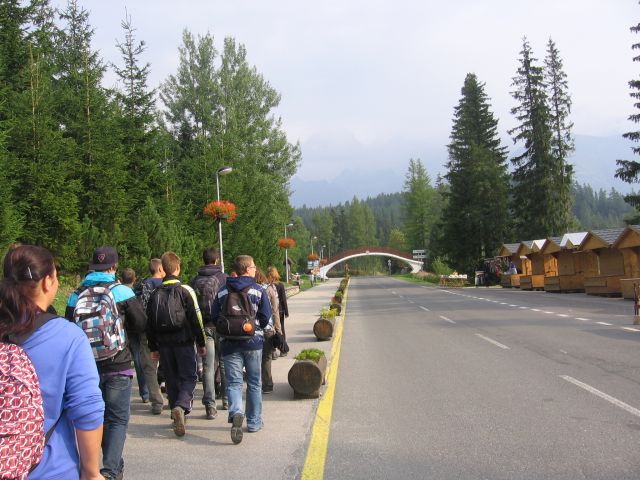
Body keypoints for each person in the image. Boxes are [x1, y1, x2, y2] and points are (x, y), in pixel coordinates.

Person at [0, 245, 104, 480]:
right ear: (48, 282)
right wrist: (91, 472)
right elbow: (87, 410)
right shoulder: (68, 337)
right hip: (50, 469)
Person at [66, 246, 147, 480]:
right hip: (117, 363)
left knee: (96, 418)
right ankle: (110, 470)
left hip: (85, 367)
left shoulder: (76, 294)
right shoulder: (121, 291)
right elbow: (141, 323)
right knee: (117, 419)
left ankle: (112, 465)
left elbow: (68, 327)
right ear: (114, 267)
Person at [212, 255, 272, 444]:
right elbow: (265, 317)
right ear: (247, 269)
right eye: (253, 267)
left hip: (229, 343)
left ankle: (236, 411)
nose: (255, 269)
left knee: (234, 383)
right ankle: (254, 422)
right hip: (253, 342)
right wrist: (256, 327)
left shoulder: (223, 290)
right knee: (254, 382)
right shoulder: (258, 290)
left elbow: (214, 316)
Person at [146, 251, 206, 437]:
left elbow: (150, 323)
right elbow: (196, 318)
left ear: (163, 269)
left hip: (164, 344)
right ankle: (181, 406)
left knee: (171, 379)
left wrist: (153, 347)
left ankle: (175, 412)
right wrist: (201, 342)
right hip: (184, 341)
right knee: (189, 377)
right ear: (178, 267)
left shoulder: (155, 293)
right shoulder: (185, 290)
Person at [189, 247, 228, 419]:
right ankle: (226, 400)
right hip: (221, 326)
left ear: (203, 260)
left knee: (208, 366)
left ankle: (210, 406)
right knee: (224, 363)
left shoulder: (194, 280)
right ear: (216, 260)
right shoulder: (224, 278)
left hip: (203, 327)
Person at [134, 259, 165, 415]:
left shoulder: (143, 286)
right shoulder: (168, 284)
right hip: (167, 330)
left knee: (149, 367)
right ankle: (175, 399)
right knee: (170, 364)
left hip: (147, 331)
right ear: (160, 269)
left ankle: (157, 401)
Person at [120, 267, 150, 405]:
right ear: (134, 279)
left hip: (123, 331)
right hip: (136, 330)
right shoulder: (136, 293)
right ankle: (145, 392)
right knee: (139, 360)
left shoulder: (117, 292)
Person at [255, 268, 282, 394]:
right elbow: (275, 311)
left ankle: (254, 385)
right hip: (267, 328)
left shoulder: (248, 290)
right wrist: (278, 329)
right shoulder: (270, 289)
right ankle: (267, 384)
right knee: (266, 357)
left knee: (253, 358)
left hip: (252, 329)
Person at [267, 266, 290, 356]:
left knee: (271, 330)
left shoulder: (268, 286)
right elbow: (283, 299)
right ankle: (283, 350)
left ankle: (273, 351)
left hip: (270, 311)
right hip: (279, 310)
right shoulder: (280, 285)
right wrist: (286, 312)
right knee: (280, 329)